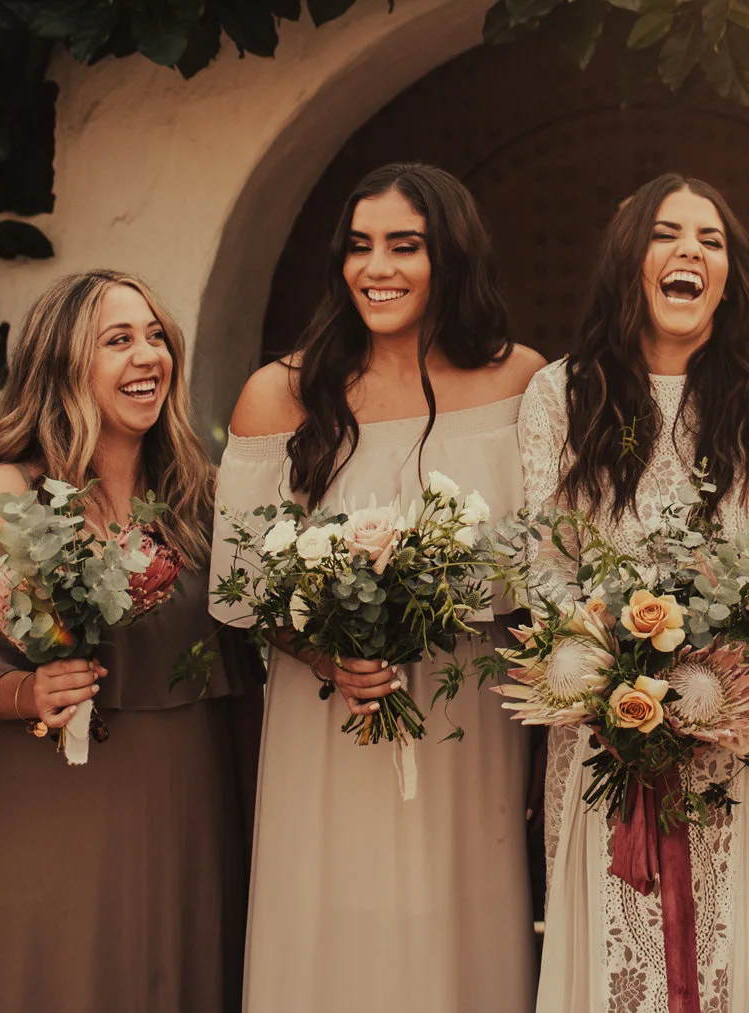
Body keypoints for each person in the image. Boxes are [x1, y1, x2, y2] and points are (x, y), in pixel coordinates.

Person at [220, 163, 544, 1013]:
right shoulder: (280, 394)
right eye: (360, 247)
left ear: (452, 257)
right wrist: (330, 649)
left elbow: (556, 564)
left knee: (461, 922)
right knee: (338, 919)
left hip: (470, 716)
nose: (378, 267)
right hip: (332, 714)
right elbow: (243, 584)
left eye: (406, 245)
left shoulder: (523, 384)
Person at [522, 173, 749, 1013]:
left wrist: (731, 642)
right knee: (621, 949)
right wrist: (607, 662)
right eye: (667, 233)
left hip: (744, 722)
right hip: (605, 727)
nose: (690, 250)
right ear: (631, 259)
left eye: (712, 239)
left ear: (729, 273)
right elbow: (546, 560)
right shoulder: (562, 392)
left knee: (742, 943)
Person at [0, 270, 255, 1013]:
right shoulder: (3, 494)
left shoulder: (196, 498)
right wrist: (26, 691)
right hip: (52, 808)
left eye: (155, 336)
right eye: (118, 340)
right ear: (64, 363)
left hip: (190, 808)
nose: (148, 356)